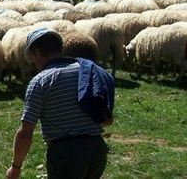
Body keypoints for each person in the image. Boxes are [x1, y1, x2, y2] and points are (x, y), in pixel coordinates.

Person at [6, 28, 111, 179]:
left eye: (32, 57)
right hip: (97, 150)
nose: (33, 63)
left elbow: (26, 132)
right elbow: (106, 117)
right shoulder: (89, 72)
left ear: (37, 53)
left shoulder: (41, 81)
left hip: (66, 154)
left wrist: (15, 167)